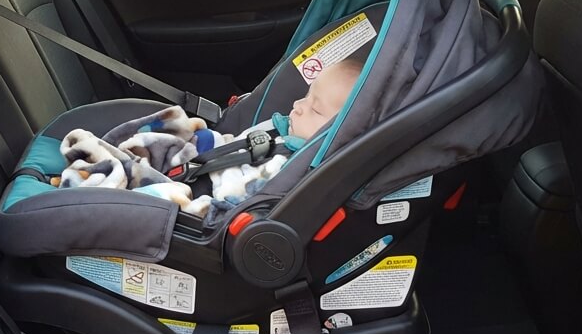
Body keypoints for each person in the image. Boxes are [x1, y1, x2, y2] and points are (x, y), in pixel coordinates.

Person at [55, 58, 362, 218]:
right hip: (210, 164)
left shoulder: (292, 169)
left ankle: (100, 189)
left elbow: (243, 197)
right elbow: (239, 144)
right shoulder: (284, 129)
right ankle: (113, 161)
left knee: (161, 197)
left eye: (315, 109)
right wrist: (210, 143)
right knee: (176, 128)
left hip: (209, 202)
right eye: (306, 96)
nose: (297, 105)